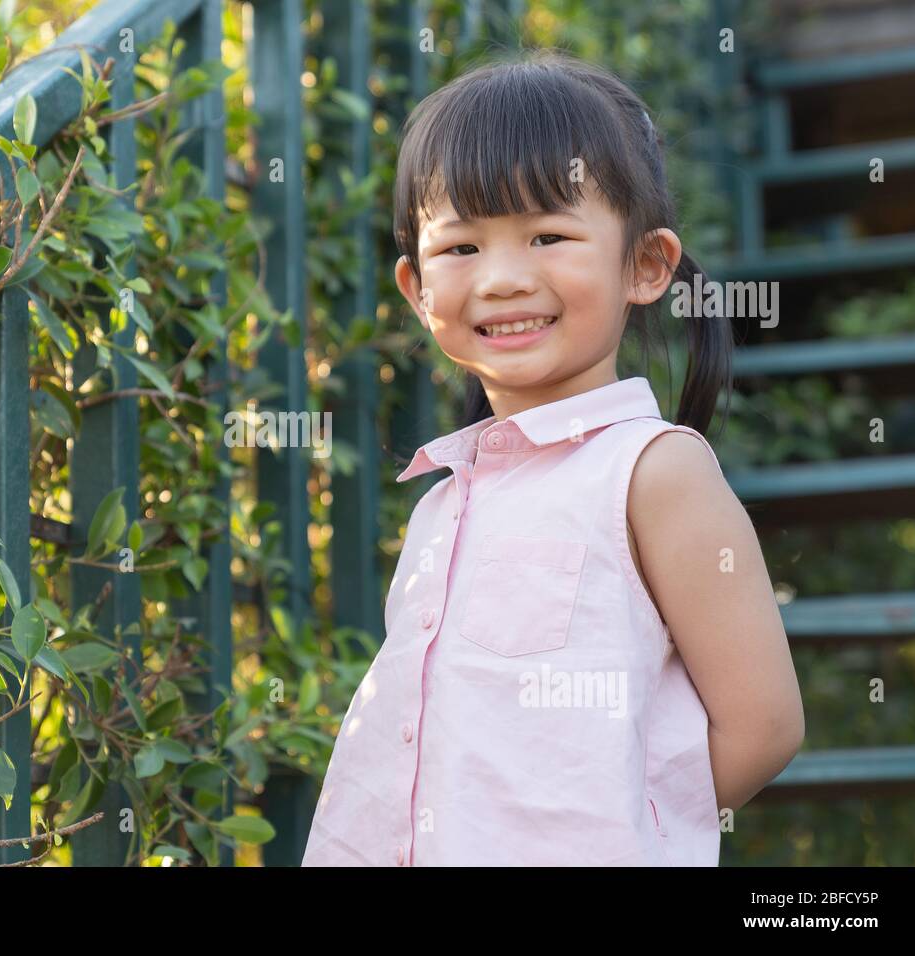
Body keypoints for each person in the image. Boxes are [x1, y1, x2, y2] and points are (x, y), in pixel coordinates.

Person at [301, 51, 805, 866]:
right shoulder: (441, 502)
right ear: (417, 289)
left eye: (548, 235)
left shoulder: (653, 473)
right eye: (460, 248)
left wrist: (614, 833)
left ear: (645, 265)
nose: (502, 279)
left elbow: (764, 726)